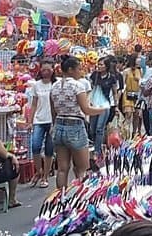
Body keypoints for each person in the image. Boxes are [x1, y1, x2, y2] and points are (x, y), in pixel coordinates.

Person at [51, 55, 107, 188]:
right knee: (83, 169)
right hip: (75, 126)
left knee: (62, 169)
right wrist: (101, 110)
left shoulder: (54, 86)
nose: (80, 72)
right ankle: (81, 199)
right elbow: (86, 109)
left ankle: (60, 199)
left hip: (59, 125)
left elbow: (53, 110)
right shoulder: (78, 86)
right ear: (70, 70)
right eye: (78, 69)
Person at [27, 60, 56, 188]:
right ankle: (38, 171)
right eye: (43, 69)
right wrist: (30, 121)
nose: (45, 72)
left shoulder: (56, 84)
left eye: (48, 69)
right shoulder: (36, 85)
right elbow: (33, 104)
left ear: (53, 70)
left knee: (49, 149)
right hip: (39, 120)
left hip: (52, 121)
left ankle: (45, 175)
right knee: (35, 146)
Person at [91, 56, 122, 147]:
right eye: (98, 64)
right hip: (93, 105)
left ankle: (98, 150)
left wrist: (116, 106)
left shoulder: (111, 78)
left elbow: (115, 92)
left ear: (106, 66)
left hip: (105, 106)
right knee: (92, 128)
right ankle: (94, 144)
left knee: (99, 128)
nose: (99, 66)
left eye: (101, 65)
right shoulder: (94, 75)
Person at [122, 57, 144, 138]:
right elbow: (123, 84)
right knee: (128, 114)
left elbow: (140, 82)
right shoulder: (126, 71)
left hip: (137, 94)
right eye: (136, 62)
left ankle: (135, 133)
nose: (138, 64)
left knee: (137, 115)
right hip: (128, 93)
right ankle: (126, 133)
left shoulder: (140, 71)